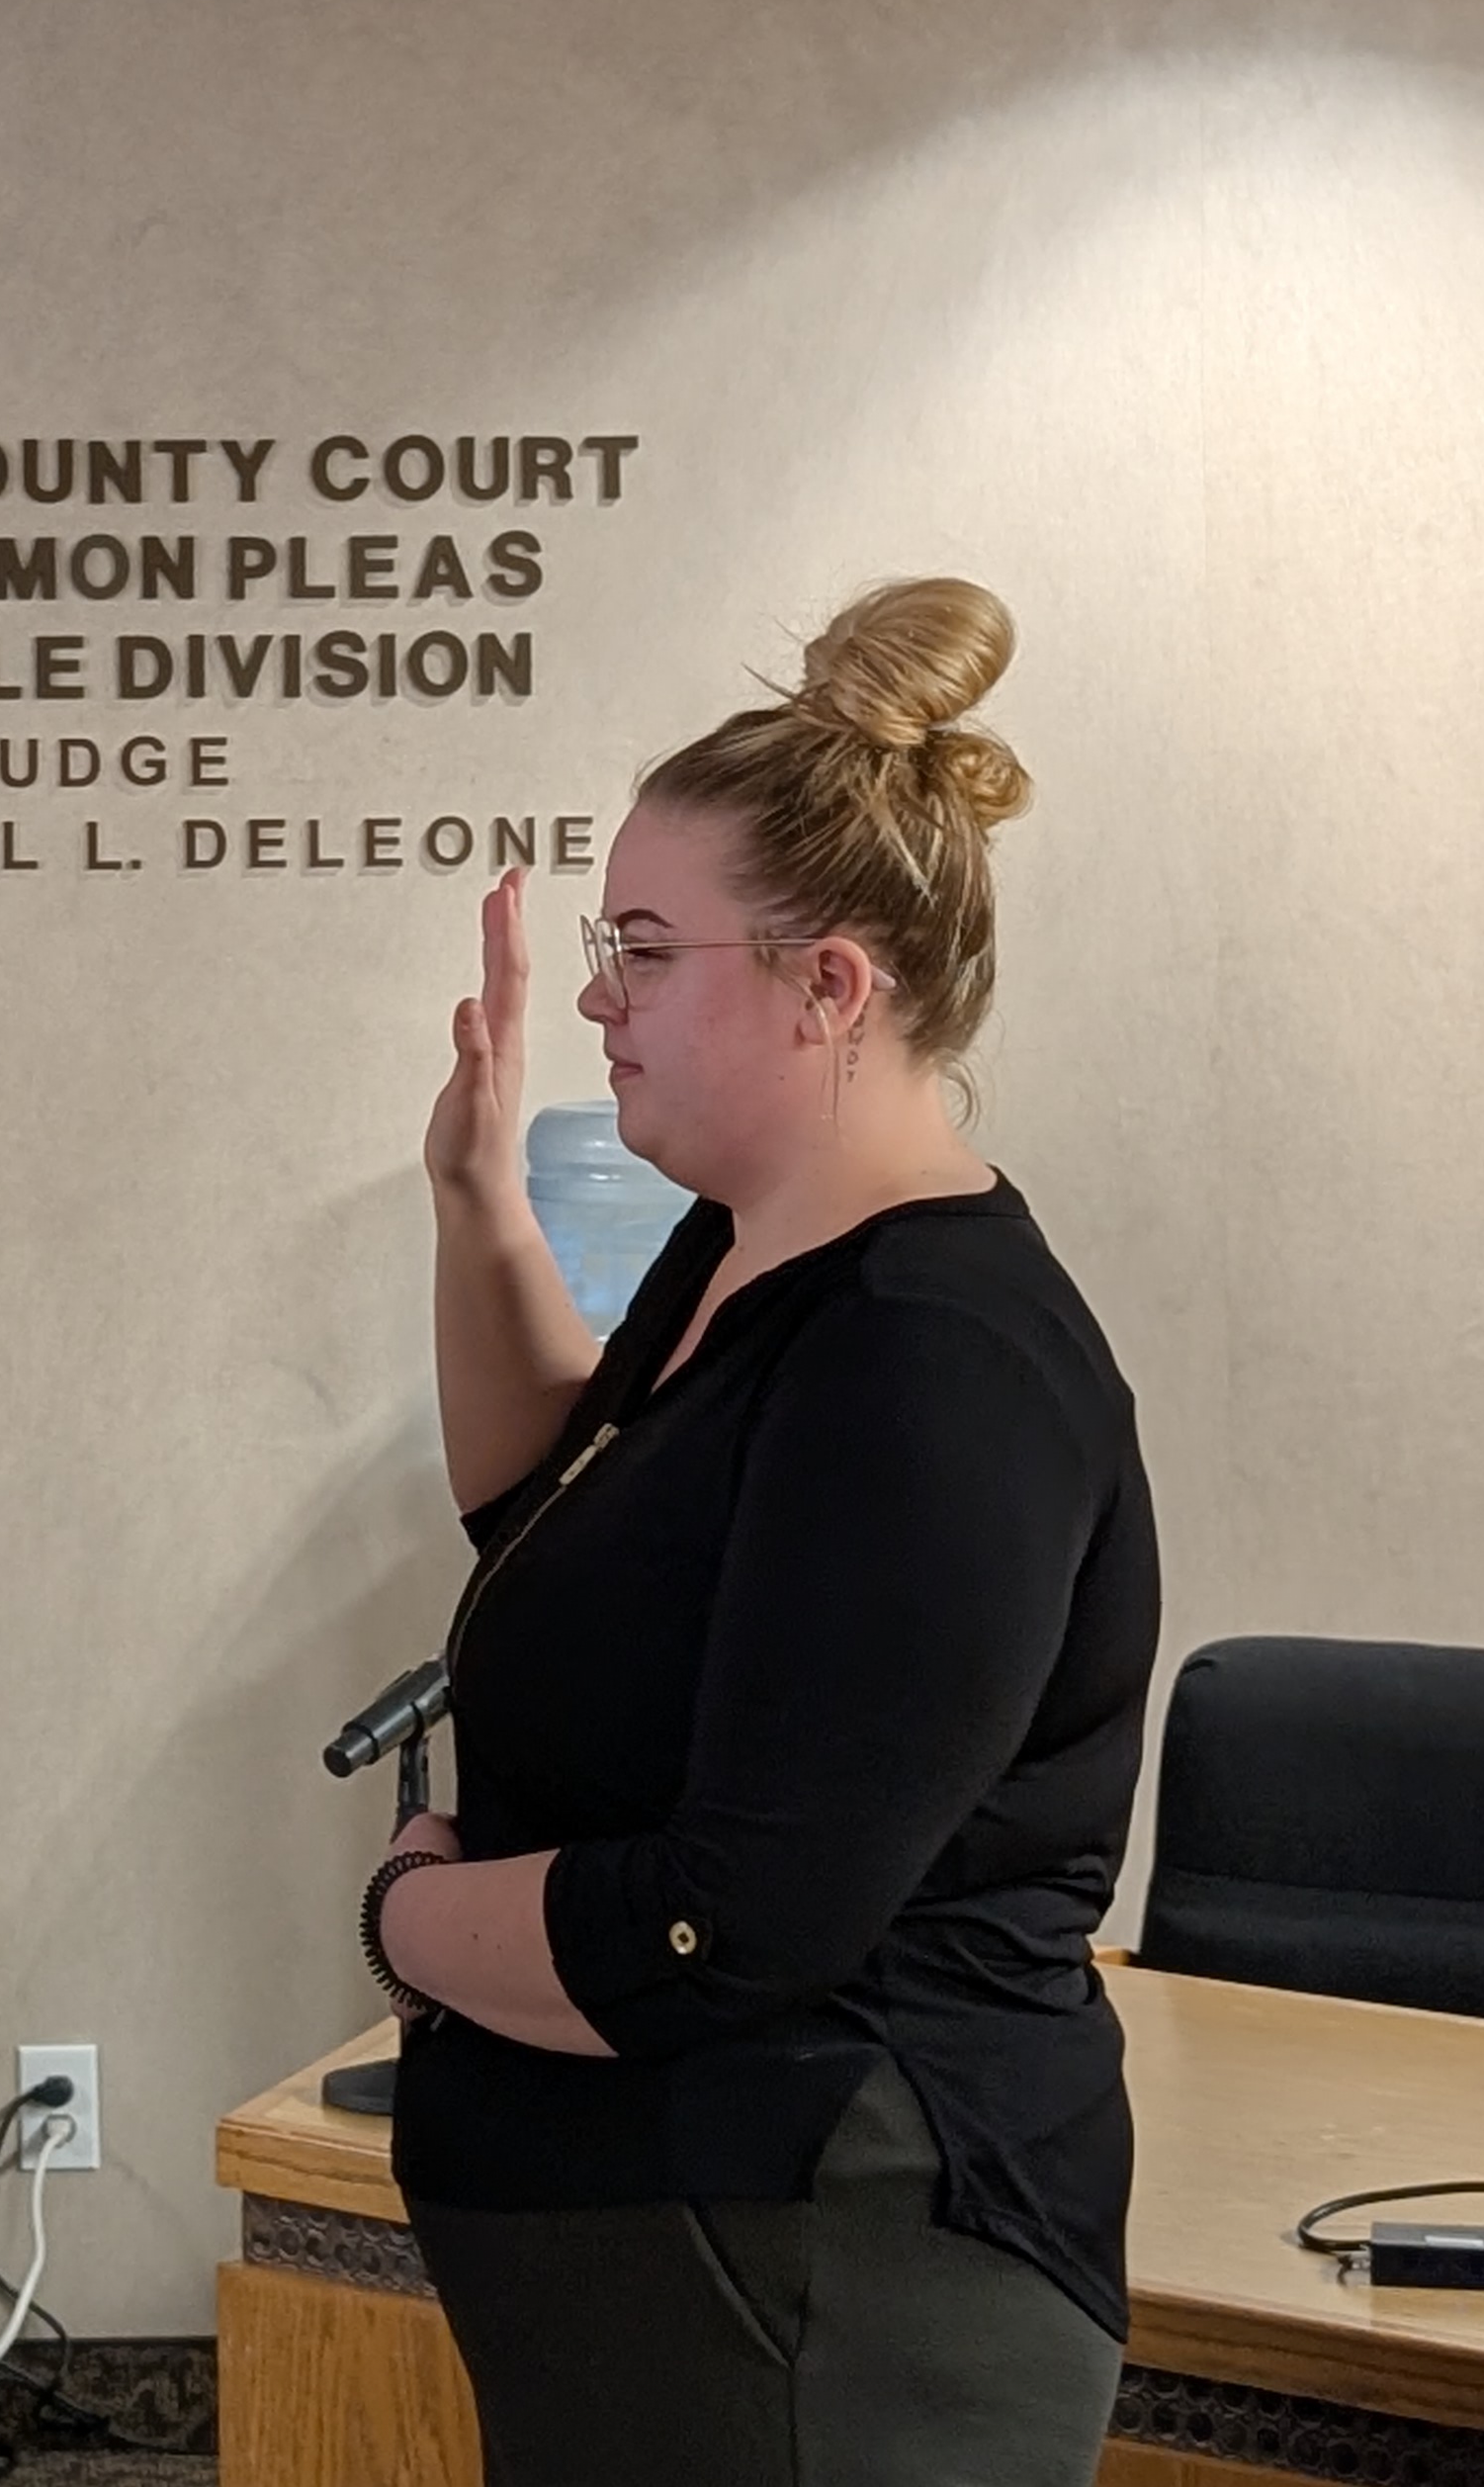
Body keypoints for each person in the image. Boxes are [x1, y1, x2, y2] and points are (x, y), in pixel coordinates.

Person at [367, 579, 1159, 2487]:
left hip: (837, 2283)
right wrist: (481, 1208)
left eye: (644, 951)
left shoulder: (937, 1363)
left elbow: (723, 1931)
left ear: (832, 984)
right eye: (597, 945)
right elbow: (546, 1505)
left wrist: (403, 1915)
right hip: (682, 2260)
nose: (591, 999)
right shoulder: (754, 1249)